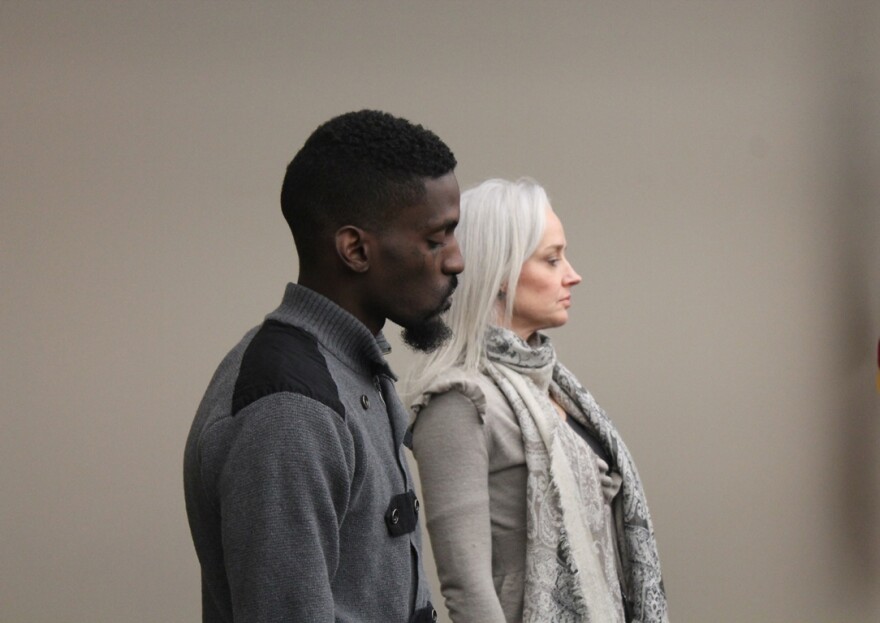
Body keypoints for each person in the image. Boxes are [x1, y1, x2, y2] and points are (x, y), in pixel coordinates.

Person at [184, 110, 463, 623]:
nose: (456, 260)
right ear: (355, 248)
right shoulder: (289, 410)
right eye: (435, 239)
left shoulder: (348, 366)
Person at [407, 178, 668, 623]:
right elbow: (467, 589)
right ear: (501, 273)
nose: (573, 274)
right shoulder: (459, 402)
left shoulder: (551, 388)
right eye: (552, 259)